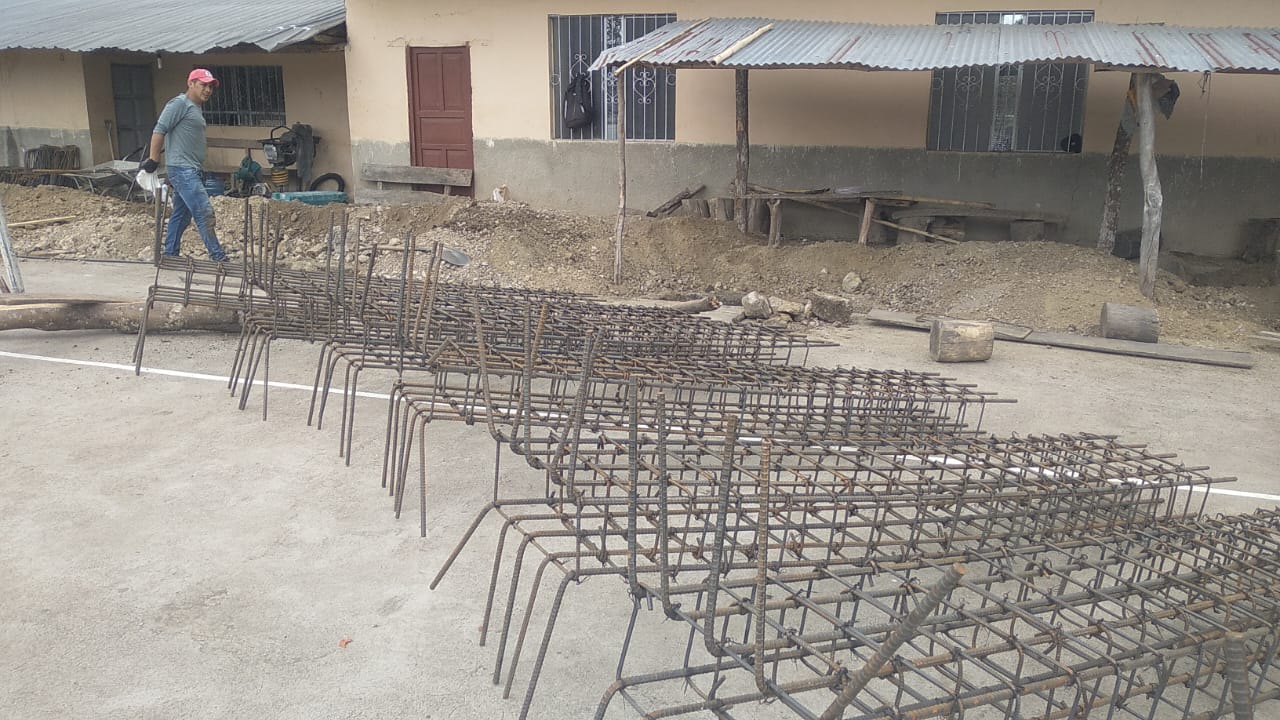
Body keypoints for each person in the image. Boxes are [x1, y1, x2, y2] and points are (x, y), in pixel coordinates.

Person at [141, 68, 229, 261]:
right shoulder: (179, 104)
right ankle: (218, 257)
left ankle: (170, 255)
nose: (208, 90)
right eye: (203, 85)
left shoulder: (195, 107)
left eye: (210, 87)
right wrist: (154, 159)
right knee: (204, 211)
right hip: (182, 169)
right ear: (191, 84)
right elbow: (159, 130)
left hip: (191, 169)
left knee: (181, 216)